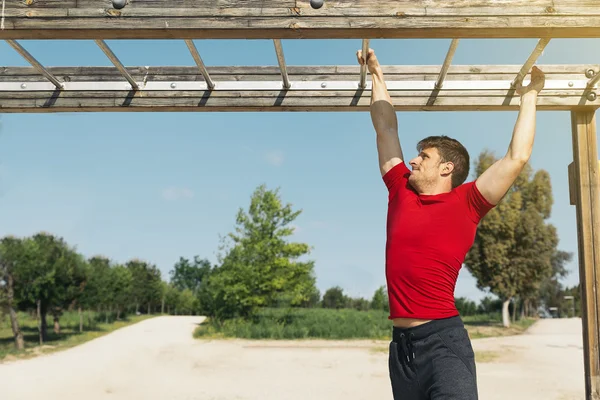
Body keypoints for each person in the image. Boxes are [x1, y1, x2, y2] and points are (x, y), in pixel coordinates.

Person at [356, 48, 545, 400]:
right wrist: (377, 75)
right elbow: (385, 126)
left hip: (444, 342)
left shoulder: (469, 202)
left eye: (423, 156)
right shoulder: (400, 190)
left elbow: (517, 157)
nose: (412, 160)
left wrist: (530, 95)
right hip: (401, 351)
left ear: (447, 168)